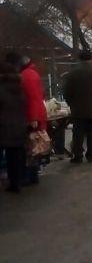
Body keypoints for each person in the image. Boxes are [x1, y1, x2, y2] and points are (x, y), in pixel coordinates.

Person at [6, 53, 47, 185]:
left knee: (30, 147)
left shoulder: (27, 75)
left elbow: (33, 98)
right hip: (35, 114)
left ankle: (29, 176)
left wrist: (33, 118)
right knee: (32, 147)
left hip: (31, 116)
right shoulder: (31, 73)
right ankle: (32, 176)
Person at [62, 50, 92, 164]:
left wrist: (71, 104)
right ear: (91, 59)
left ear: (79, 59)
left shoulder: (72, 74)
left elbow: (67, 92)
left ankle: (77, 156)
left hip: (78, 110)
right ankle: (91, 156)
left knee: (78, 134)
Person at [0, 61, 27, 193]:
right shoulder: (19, 88)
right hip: (19, 124)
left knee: (9, 156)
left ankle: (13, 182)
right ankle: (18, 181)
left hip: (4, 126)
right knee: (16, 154)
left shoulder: (2, 88)